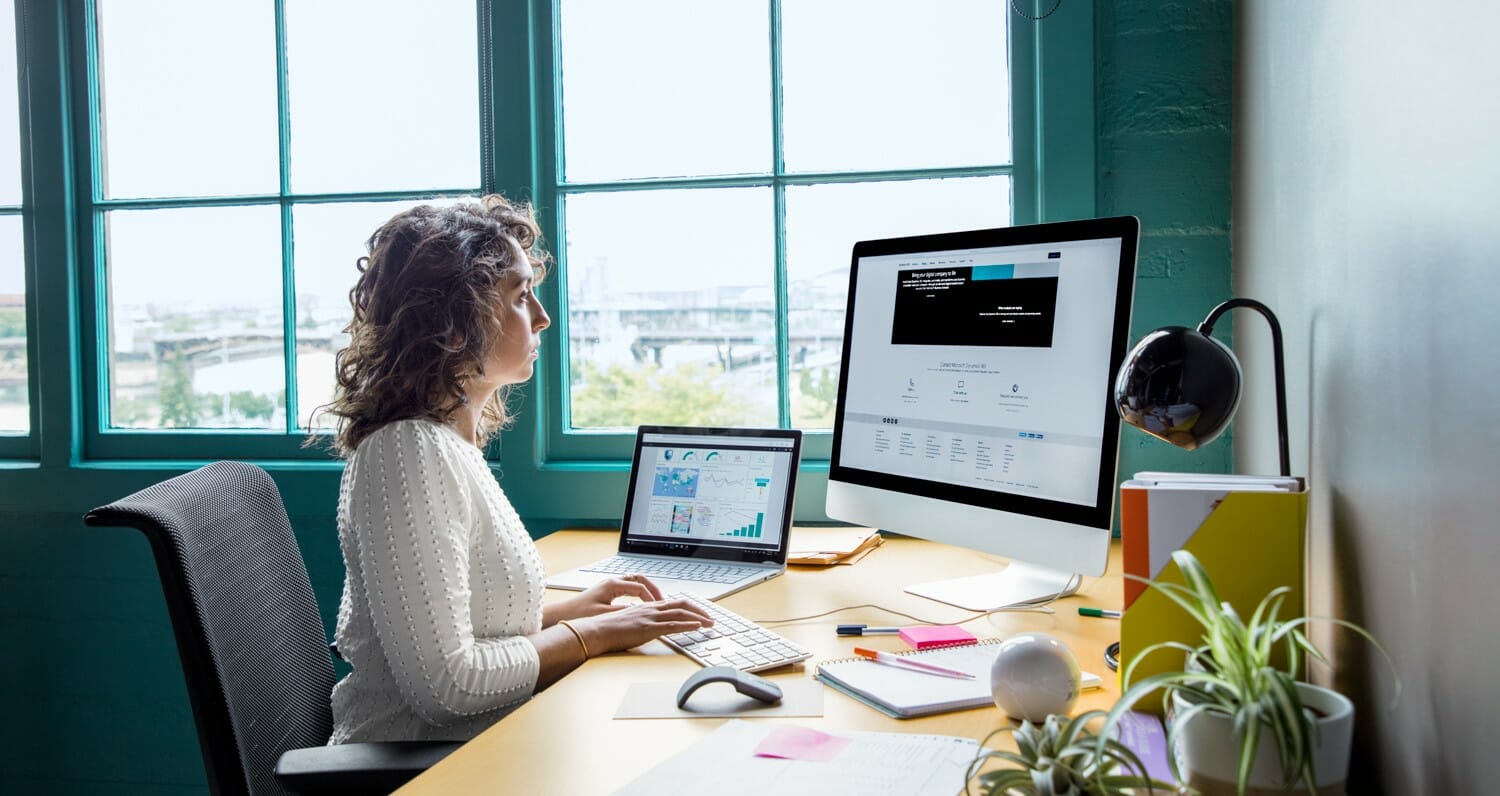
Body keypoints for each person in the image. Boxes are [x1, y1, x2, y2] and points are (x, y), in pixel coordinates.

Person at [320, 195, 713, 743]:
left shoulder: (447, 445)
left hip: (487, 749)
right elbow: (447, 687)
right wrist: (593, 634)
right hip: (421, 773)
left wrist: (573, 612)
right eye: (521, 296)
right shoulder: (406, 454)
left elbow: (471, 628)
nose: (543, 317)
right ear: (455, 323)